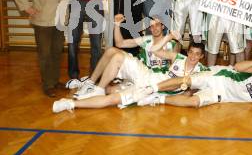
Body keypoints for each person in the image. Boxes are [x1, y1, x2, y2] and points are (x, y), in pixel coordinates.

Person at [53, 40, 209, 113]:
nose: (193, 56)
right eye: (191, 52)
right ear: (187, 52)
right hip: (148, 75)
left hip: (150, 91)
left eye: (197, 54)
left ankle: (70, 104)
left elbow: (188, 95)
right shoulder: (178, 57)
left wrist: (161, 100)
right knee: (116, 56)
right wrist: (169, 37)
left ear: (202, 56)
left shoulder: (200, 73)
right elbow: (154, 49)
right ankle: (97, 88)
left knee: (112, 99)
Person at [71, 14, 176, 99]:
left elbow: (175, 71)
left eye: (157, 25)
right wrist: (117, 24)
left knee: (111, 90)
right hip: (143, 72)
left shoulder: (172, 44)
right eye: (152, 26)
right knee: (111, 50)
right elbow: (120, 43)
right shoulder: (146, 40)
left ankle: (99, 89)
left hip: (157, 79)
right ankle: (91, 83)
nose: (154, 28)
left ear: (163, 26)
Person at [137, 64, 252, 112]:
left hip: (221, 94)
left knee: (194, 103)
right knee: (187, 81)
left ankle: (157, 99)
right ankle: (151, 88)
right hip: (220, 76)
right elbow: (237, 66)